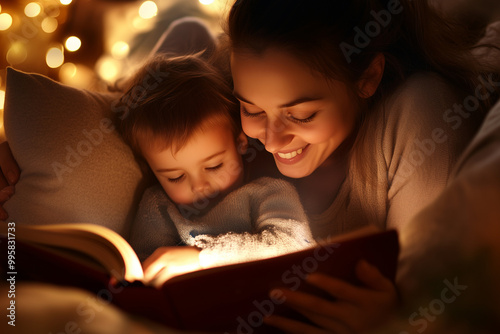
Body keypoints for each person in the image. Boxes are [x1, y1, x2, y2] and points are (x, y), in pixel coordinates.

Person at [0, 1, 499, 332]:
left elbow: (446, 294)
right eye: (252, 109)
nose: (272, 139)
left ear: (367, 76)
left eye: (301, 115)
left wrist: (398, 319)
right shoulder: (220, 98)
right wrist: (13, 147)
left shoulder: (419, 116)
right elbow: (127, 110)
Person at [118, 53, 314, 284]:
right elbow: (144, 267)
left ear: (240, 143)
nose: (199, 186)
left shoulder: (268, 193)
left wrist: (202, 257)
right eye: (175, 177)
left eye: (214, 166)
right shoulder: (159, 206)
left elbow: (293, 246)